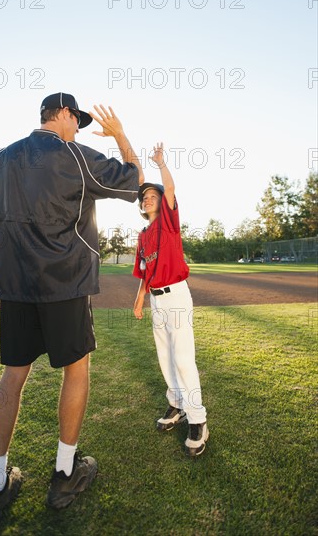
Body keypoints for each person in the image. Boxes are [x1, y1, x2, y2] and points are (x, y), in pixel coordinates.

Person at [0, 93, 144, 530]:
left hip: (16, 286)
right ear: (62, 114)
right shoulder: (76, 156)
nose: (79, 128)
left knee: (13, 373)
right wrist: (120, 134)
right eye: (77, 120)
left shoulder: (3, 157)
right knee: (77, 370)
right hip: (64, 283)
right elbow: (136, 180)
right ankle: (65, 472)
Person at [133, 143, 208, 457]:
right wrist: (139, 302)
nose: (148, 198)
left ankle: (198, 419)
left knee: (182, 358)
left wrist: (160, 163)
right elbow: (144, 273)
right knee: (165, 356)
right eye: (145, 197)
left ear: (161, 202)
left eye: (153, 195)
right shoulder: (142, 236)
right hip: (156, 300)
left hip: (176, 295)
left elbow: (171, 188)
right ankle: (176, 405)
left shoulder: (168, 222)